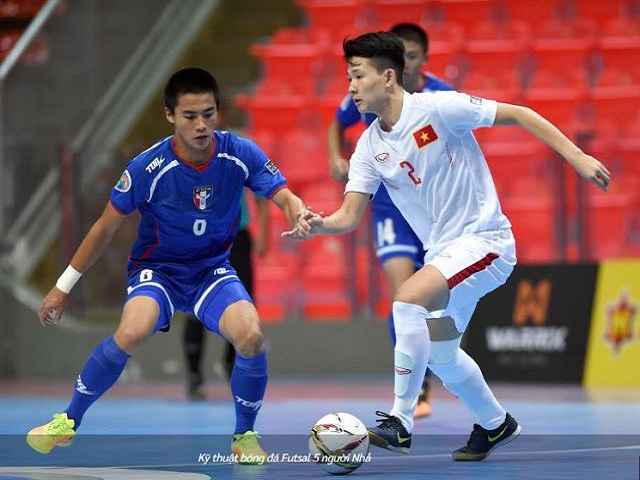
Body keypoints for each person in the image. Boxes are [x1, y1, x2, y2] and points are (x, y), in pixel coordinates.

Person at [285, 32, 610, 461]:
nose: (350, 87)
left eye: (357, 76)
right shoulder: (368, 146)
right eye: (348, 76)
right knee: (440, 354)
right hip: (446, 255)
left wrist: (577, 157)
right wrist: (318, 225)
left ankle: (400, 421)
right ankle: (496, 425)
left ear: (386, 77)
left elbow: (520, 113)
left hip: (486, 243)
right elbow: (348, 217)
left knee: (407, 300)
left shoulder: (439, 108)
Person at [27, 67, 306, 464]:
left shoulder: (238, 152)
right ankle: (67, 422)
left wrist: (297, 211)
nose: (201, 125)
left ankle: (244, 436)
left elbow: (282, 192)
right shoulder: (147, 168)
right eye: (190, 116)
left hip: (211, 270)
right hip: (158, 271)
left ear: (218, 113)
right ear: (170, 116)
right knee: (132, 331)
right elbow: (105, 228)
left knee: (251, 336)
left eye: (209, 114)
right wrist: (63, 286)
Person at [327, 22, 453, 419]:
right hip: (388, 210)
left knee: (436, 304)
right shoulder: (366, 98)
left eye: (413, 55)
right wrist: (336, 156)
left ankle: (444, 368)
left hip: (435, 213)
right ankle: (416, 391)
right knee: (404, 298)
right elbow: (338, 121)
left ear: (420, 60)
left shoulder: (441, 98)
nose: (407, 62)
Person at [184, 192, 269, 399]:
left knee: (243, 304)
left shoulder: (241, 159)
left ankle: (231, 363)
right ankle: (195, 375)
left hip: (237, 236)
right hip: (199, 237)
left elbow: (262, 192)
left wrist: (264, 233)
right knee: (195, 305)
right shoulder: (191, 161)